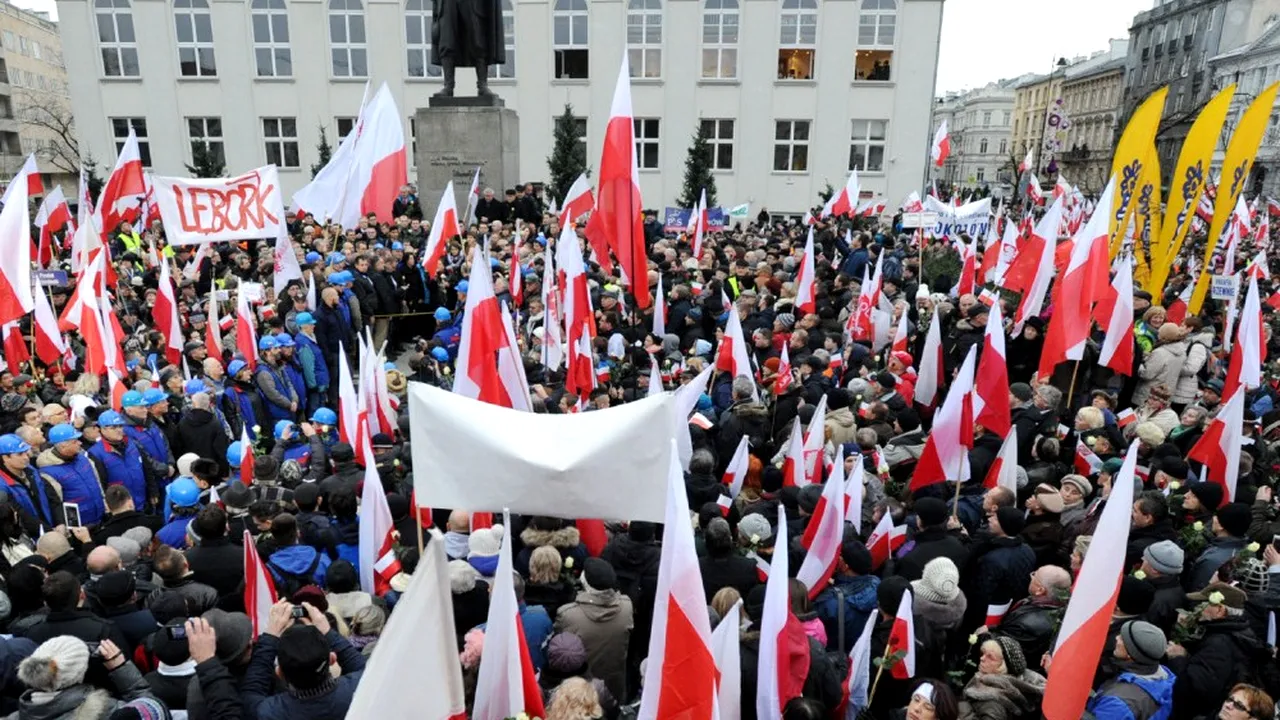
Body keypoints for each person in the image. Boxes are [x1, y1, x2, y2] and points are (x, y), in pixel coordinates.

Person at [243, 600, 366, 719]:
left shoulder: (269, 713)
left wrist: (270, 635)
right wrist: (328, 632)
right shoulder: (360, 688)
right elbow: (367, 668)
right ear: (332, 659)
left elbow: (251, 693)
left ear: (279, 673)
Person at [555, 557, 635, 702]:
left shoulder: (568, 615)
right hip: (614, 685)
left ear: (584, 581)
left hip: (580, 690)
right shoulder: (626, 605)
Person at [1081, 620, 1176, 720]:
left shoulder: (1118, 704)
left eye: (1122, 639)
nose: (1116, 638)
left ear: (1130, 654)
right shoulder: (1167, 675)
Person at [957, 635, 1046, 720]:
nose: (982, 658)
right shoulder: (985, 677)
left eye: (990, 657)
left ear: (1003, 666)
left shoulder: (995, 699)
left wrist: (960, 708)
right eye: (983, 653)